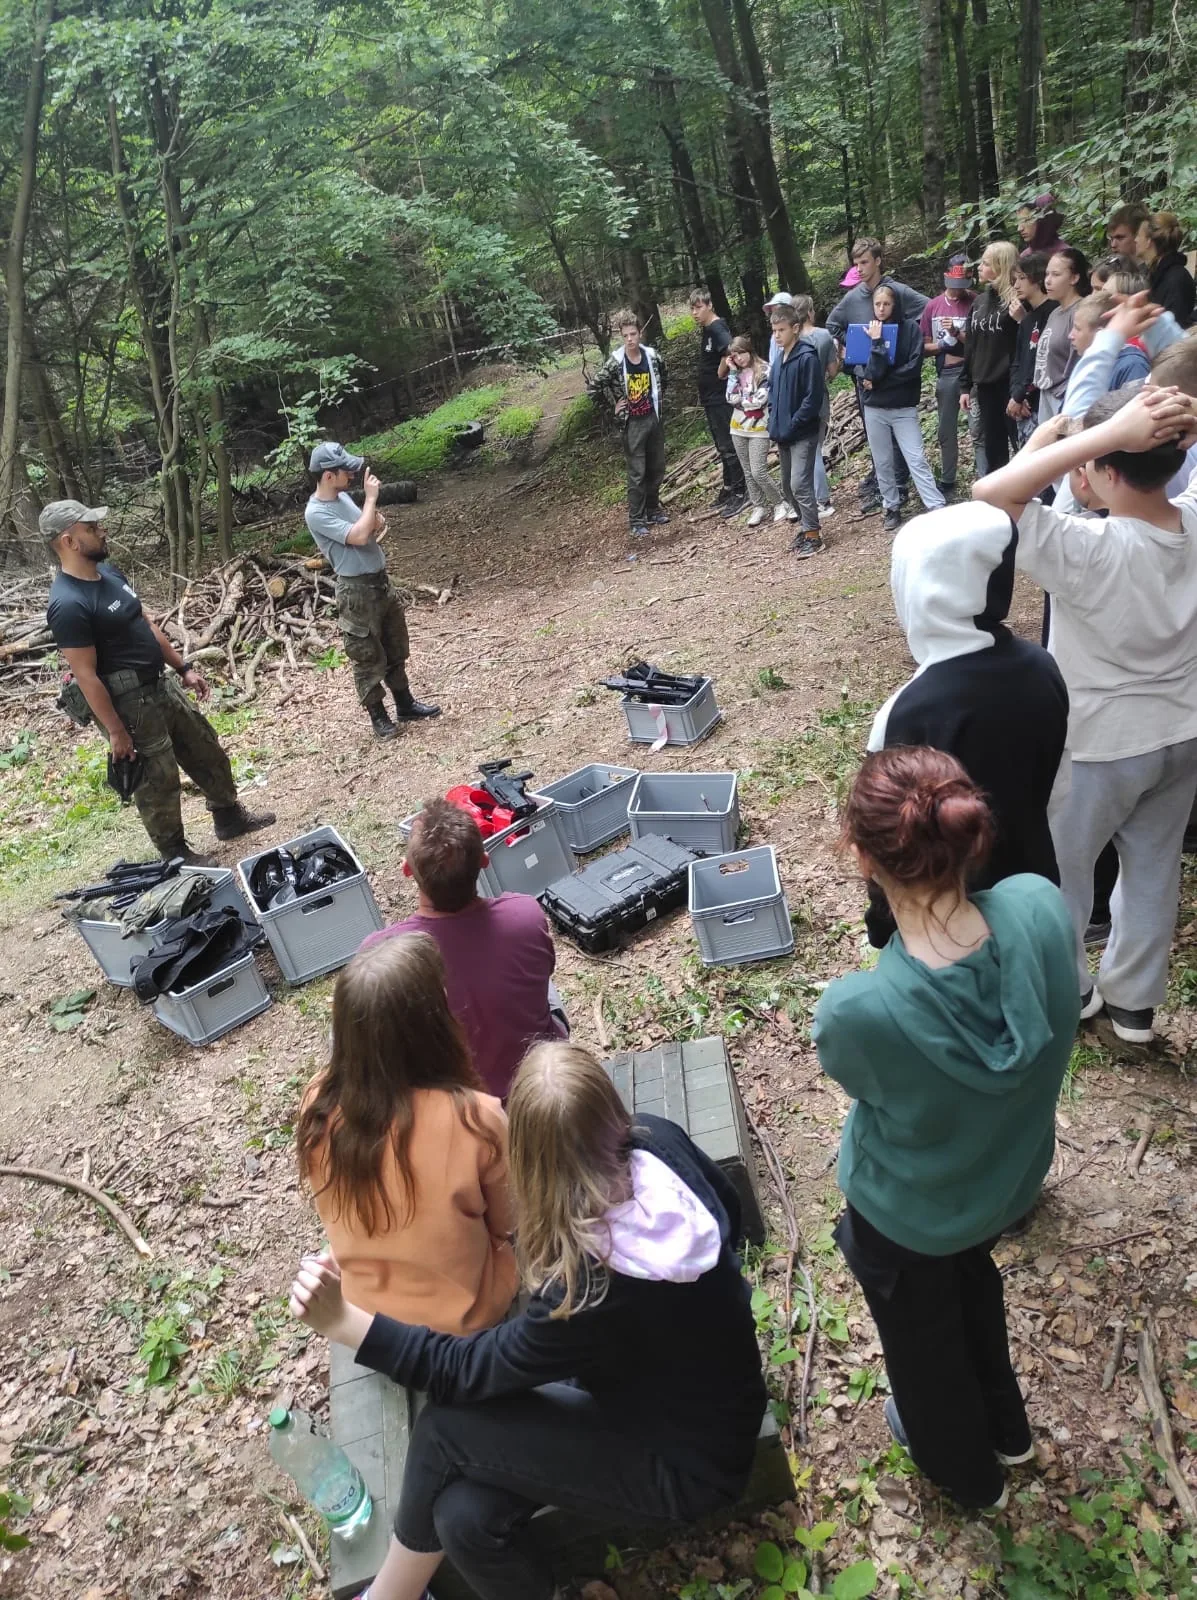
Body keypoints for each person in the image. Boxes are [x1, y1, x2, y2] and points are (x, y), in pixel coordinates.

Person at [287, 1039, 769, 1600]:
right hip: (703, 1405)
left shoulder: (591, 1288)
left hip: (688, 1468)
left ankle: (387, 1597)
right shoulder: (657, 1140)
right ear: (611, 1111)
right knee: (464, 1517)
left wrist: (344, 1321)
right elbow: (729, 1216)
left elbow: (461, 1370)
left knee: (443, 1428)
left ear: (531, 1162)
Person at [813, 746, 1078, 1512]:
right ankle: (1006, 1428)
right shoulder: (1035, 906)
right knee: (970, 1281)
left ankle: (968, 1476)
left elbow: (870, 1089)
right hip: (1001, 1181)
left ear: (862, 857)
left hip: (908, 1215)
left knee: (921, 1352)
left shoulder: (857, 1011)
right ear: (969, 836)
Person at [973, 381, 1197, 1044]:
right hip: (1182, 733)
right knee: (1152, 869)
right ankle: (1132, 1003)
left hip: (1098, 743)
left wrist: (1081, 436)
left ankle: (1070, 989)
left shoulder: (1088, 549)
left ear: (1106, 466)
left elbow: (991, 494)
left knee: (1065, 870)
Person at [864, 502, 1069, 946]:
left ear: (912, 588)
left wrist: (882, 926)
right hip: (1039, 884)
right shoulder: (1042, 665)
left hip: (951, 912)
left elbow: (886, 839)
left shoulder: (906, 711)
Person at [296, 933, 517, 1333]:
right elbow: (508, 1225)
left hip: (367, 1317)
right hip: (469, 1316)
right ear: (434, 1024)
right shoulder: (477, 1118)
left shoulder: (316, 1101)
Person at [42, 500, 274, 864]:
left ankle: (229, 817)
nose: (102, 531)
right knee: (156, 777)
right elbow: (85, 676)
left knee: (204, 746)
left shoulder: (111, 575)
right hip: (128, 701)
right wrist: (116, 732)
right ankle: (175, 854)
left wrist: (183, 668)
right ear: (69, 541)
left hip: (161, 683)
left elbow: (147, 625)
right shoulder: (68, 603)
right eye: (91, 528)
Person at [361, 798, 566, 1100]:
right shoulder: (526, 913)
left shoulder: (382, 952)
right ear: (485, 860)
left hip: (461, 1108)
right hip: (539, 1086)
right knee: (545, 982)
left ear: (407, 870)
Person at [305, 442, 441, 741]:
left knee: (395, 645)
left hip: (379, 582)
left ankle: (405, 704)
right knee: (367, 654)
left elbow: (371, 524)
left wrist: (372, 512)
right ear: (328, 475)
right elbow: (357, 535)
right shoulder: (315, 512)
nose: (352, 475)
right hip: (356, 592)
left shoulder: (342, 499)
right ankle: (378, 717)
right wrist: (369, 501)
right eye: (346, 471)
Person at [827, 239, 928, 513]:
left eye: (864, 262)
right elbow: (832, 324)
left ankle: (902, 485)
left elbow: (929, 309)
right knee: (878, 439)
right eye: (856, 263)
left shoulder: (896, 292)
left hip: (896, 378)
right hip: (866, 377)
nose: (859, 269)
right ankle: (887, 492)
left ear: (878, 261)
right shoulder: (853, 297)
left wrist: (917, 343)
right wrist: (848, 348)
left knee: (902, 437)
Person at [862, 283, 945, 532]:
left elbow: (912, 368)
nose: (881, 308)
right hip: (875, 407)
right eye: (877, 304)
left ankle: (935, 505)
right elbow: (864, 370)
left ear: (895, 304)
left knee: (915, 457)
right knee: (882, 461)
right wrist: (876, 344)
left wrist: (879, 381)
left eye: (886, 303)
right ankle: (892, 506)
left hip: (903, 406)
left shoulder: (910, 329)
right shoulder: (867, 330)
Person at [589, 310, 669, 541]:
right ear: (621, 336)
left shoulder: (652, 356)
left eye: (633, 334)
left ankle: (653, 510)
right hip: (632, 423)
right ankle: (636, 520)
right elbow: (594, 388)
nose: (630, 339)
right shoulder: (616, 362)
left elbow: (664, 376)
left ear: (640, 333)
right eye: (625, 335)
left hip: (652, 417)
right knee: (637, 472)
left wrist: (658, 401)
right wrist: (612, 407)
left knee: (657, 466)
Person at [768, 301, 826, 558]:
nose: (777, 335)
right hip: (783, 433)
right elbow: (774, 396)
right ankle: (805, 527)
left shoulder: (807, 357)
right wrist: (775, 424)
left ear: (795, 328)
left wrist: (793, 424)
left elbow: (812, 400)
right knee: (788, 486)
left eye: (781, 330)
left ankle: (814, 534)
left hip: (803, 432)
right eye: (774, 331)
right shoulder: (780, 359)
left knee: (800, 482)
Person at [959, 241, 1020, 472]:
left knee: (1021, 445)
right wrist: (965, 386)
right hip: (984, 387)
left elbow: (1020, 348)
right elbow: (971, 346)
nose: (979, 267)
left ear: (1000, 266)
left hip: (1009, 386)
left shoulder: (1016, 302)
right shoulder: (979, 302)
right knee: (994, 450)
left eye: (985, 263)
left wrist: (1019, 391)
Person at [920, 254, 976, 495]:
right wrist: (944, 345)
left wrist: (957, 333)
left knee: (978, 427)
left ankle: (985, 475)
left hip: (974, 370)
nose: (958, 290)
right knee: (946, 429)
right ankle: (948, 478)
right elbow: (924, 346)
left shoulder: (976, 302)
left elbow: (983, 342)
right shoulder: (933, 306)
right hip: (948, 372)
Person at [690, 288, 747, 515]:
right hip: (710, 398)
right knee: (721, 446)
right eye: (692, 308)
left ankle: (741, 491)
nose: (695, 313)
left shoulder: (717, 327)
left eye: (699, 307)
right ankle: (729, 486)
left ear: (709, 305)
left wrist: (720, 374)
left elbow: (729, 351)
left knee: (728, 444)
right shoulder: (707, 330)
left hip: (720, 397)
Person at [724, 336, 786, 527]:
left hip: (759, 428)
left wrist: (741, 401)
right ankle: (759, 505)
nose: (740, 359)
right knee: (747, 471)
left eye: (741, 353)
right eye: (735, 356)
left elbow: (760, 399)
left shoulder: (765, 369)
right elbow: (728, 396)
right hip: (738, 427)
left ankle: (779, 502)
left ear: (749, 350)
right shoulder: (736, 375)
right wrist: (733, 374)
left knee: (759, 470)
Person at [797, 295, 842, 518]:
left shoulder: (790, 338)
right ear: (811, 312)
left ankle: (819, 499)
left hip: (797, 401)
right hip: (819, 398)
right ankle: (819, 498)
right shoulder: (825, 336)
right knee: (814, 449)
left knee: (808, 452)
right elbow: (833, 372)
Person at [1034, 249, 1091, 420]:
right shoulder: (1055, 312)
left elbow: (1081, 358)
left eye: (1056, 274)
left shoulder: (1081, 311)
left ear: (1074, 278)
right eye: (1047, 274)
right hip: (1046, 393)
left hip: (1065, 397)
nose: (1048, 281)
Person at [1007, 252, 1053, 446]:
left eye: (1022, 278)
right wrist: (1015, 394)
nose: (1016, 285)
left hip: (1042, 402)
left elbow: (1041, 359)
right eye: (1015, 279)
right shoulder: (1027, 319)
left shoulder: (1053, 312)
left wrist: (1021, 395)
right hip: (1023, 404)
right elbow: (1018, 361)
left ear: (1038, 278)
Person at [1136, 211, 1196, 328]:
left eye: (1138, 235)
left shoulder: (1176, 279)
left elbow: (1175, 326)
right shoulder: (1155, 274)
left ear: (1148, 241)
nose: (1135, 240)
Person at [1016, 193, 1067, 257]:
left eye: (1026, 220)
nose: (1019, 228)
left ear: (1043, 219)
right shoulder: (1025, 256)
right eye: (1019, 222)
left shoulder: (1067, 257)